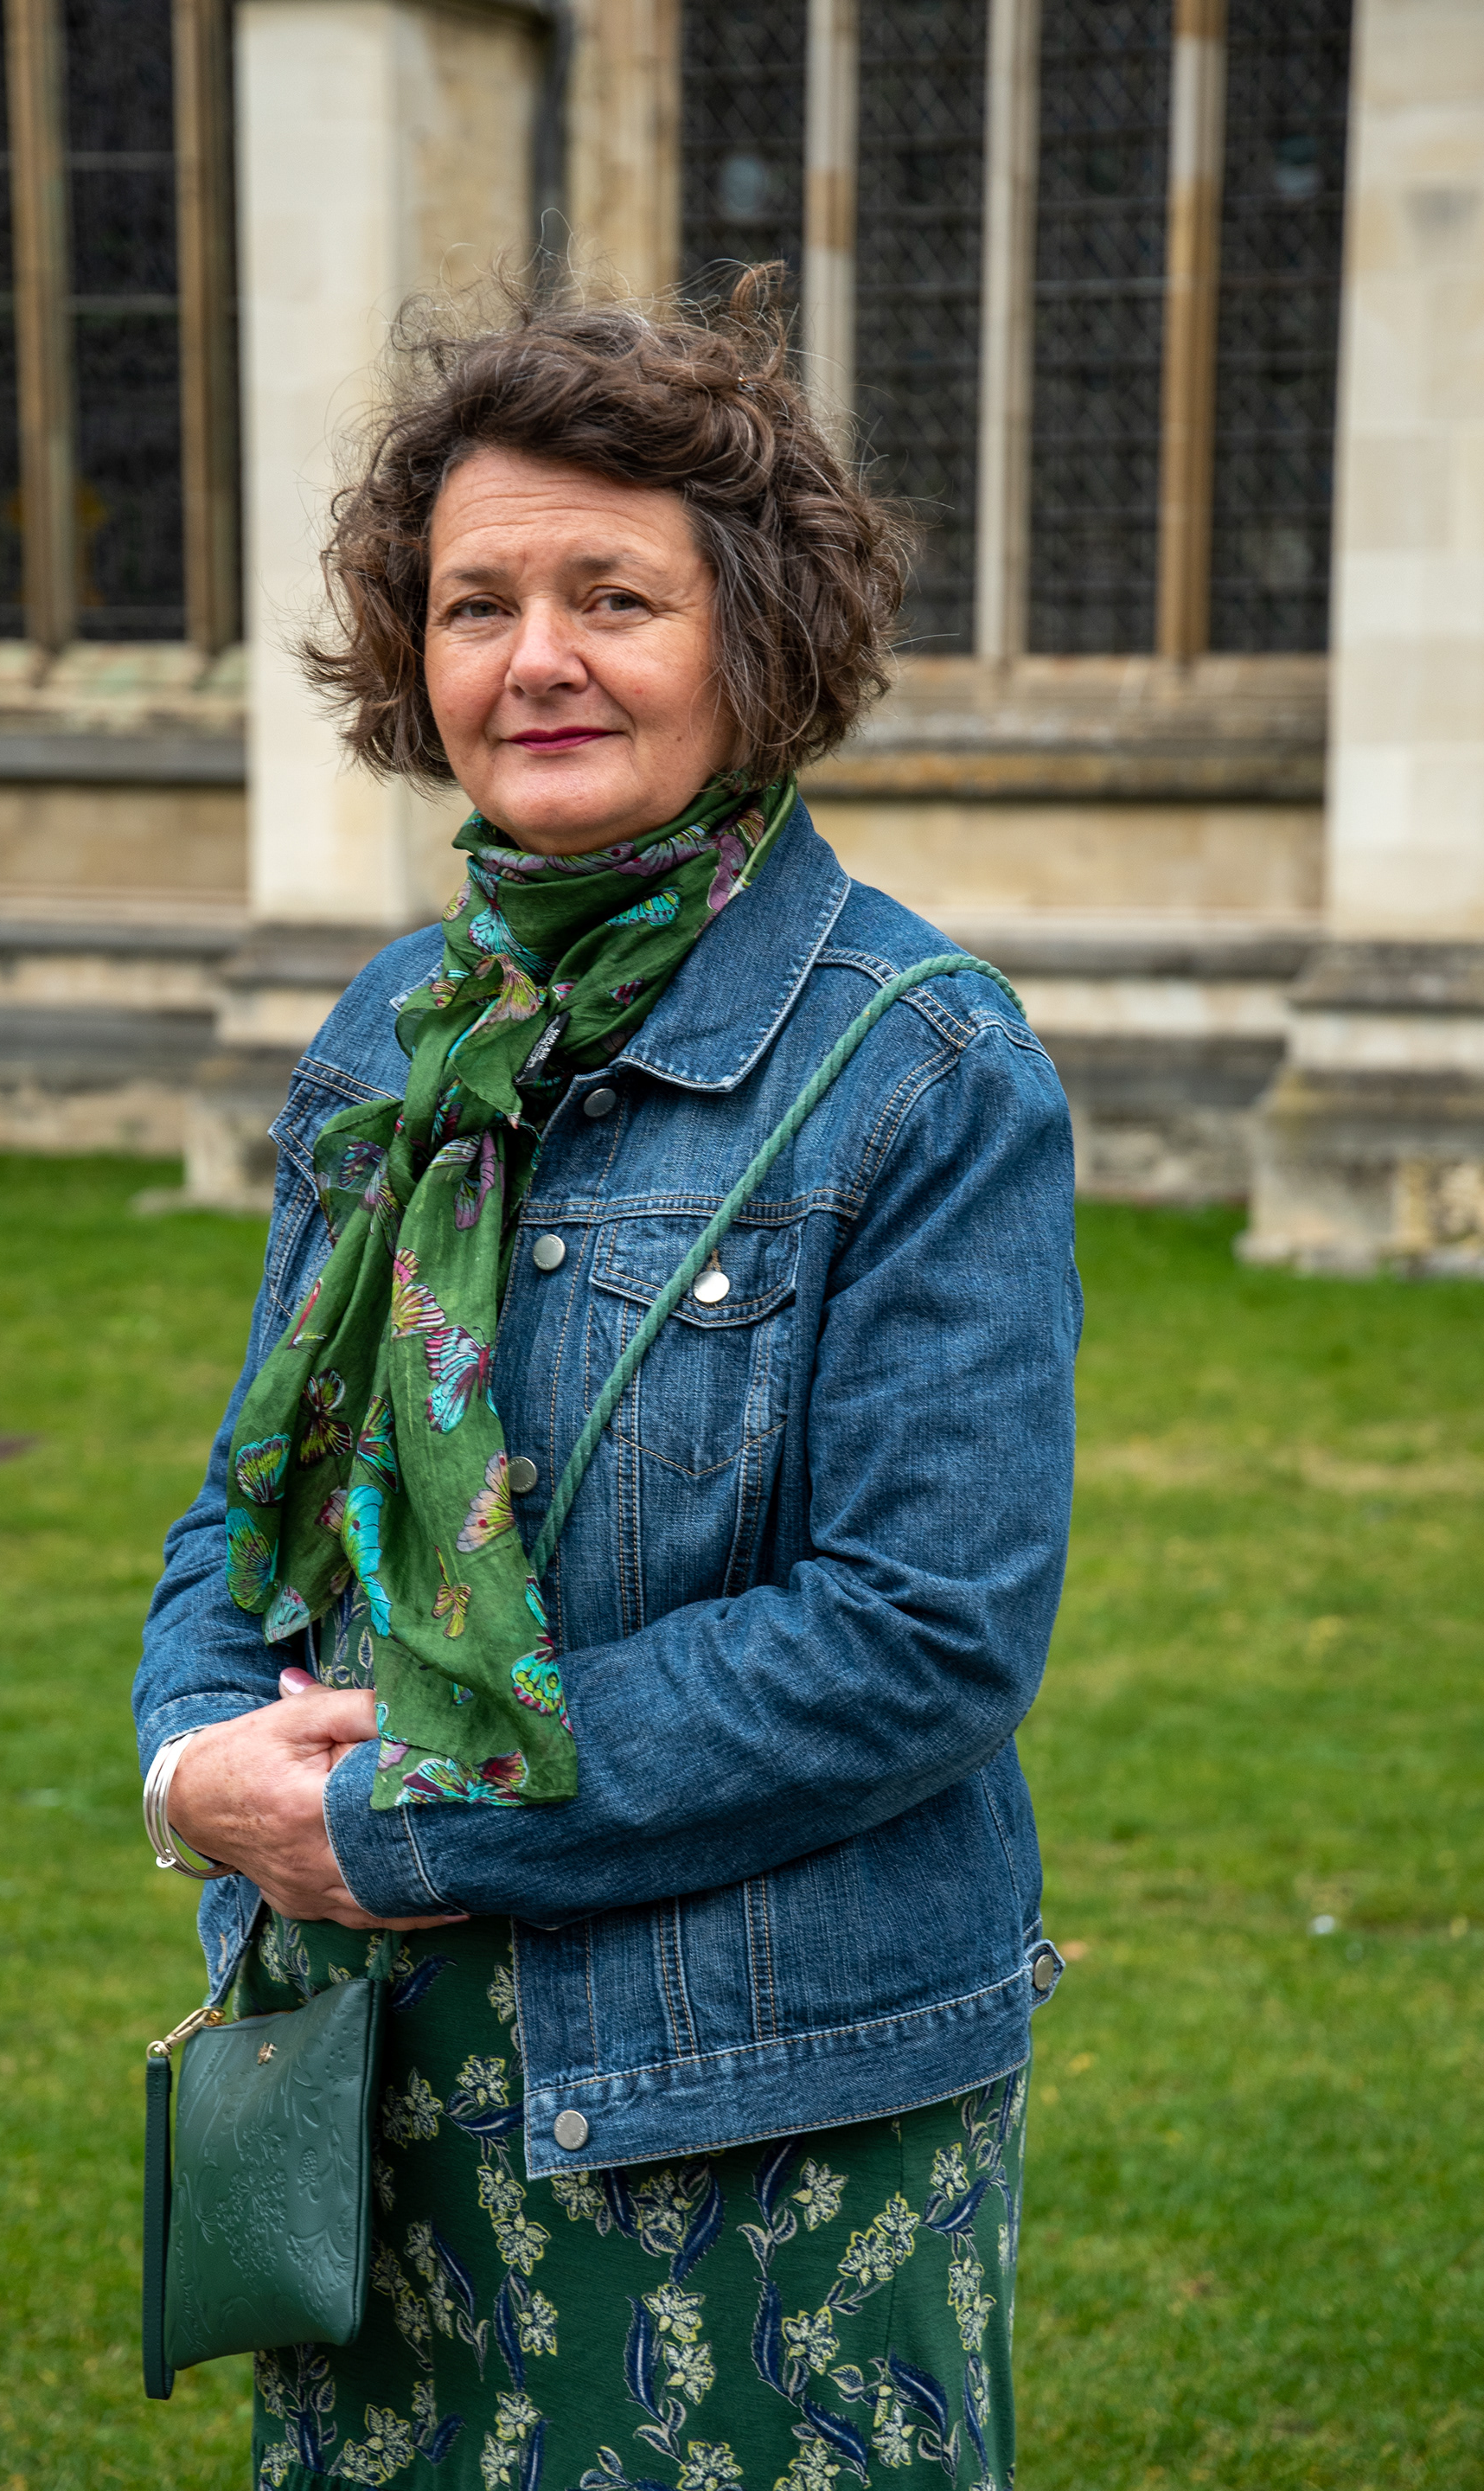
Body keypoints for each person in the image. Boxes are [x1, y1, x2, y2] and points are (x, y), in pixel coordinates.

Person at [135, 276, 1078, 2491]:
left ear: (754, 637)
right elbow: (252, 1498)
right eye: (475, 602)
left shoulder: (919, 1064)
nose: (533, 656)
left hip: (755, 2107)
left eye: (610, 595)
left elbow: (921, 1633)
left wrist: (383, 1820)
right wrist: (188, 1762)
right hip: (377, 2080)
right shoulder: (391, 1032)